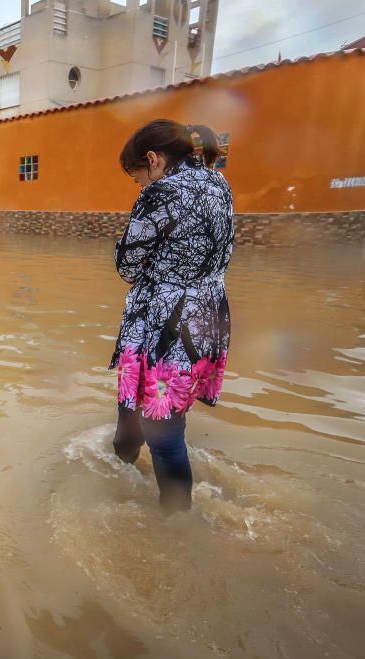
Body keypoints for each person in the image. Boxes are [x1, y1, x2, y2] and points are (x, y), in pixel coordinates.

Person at [110, 119, 234, 513]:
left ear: (153, 159)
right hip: (207, 318)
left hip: (165, 327)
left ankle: (177, 525)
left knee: (162, 437)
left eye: (138, 177)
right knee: (142, 415)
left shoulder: (160, 193)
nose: (141, 185)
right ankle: (121, 471)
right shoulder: (219, 184)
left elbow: (128, 266)